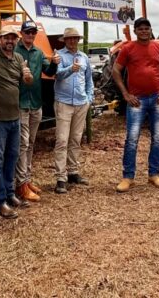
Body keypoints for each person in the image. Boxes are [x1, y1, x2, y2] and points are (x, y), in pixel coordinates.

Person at [112, 17, 159, 192]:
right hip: (137, 101)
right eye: (140, 28)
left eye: (146, 28)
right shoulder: (127, 48)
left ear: (150, 30)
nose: (144, 31)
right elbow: (116, 70)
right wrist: (125, 94)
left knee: (158, 138)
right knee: (132, 139)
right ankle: (128, 177)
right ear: (135, 31)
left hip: (158, 99)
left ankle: (154, 175)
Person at [0, 28, 33, 218]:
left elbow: (27, 81)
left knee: (12, 157)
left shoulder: (19, 58)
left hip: (15, 117)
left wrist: (28, 77)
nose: (10, 41)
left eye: (13, 38)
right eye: (6, 38)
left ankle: (9, 193)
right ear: (0, 39)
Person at [14, 20, 59, 202]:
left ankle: (27, 179)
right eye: (27, 32)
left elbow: (48, 71)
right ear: (21, 34)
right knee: (23, 143)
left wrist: (54, 63)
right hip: (20, 103)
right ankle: (20, 184)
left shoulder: (38, 52)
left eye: (33, 32)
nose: (31, 35)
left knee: (31, 143)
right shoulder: (14, 51)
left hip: (36, 103)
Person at [53, 27, 93, 194]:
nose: (72, 41)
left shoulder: (84, 57)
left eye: (75, 38)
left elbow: (89, 79)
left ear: (78, 40)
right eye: (69, 38)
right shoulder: (59, 55)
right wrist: (71, 69)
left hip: (81, 103)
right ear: (65, 40)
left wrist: (89, 98)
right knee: (62, 140)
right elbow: (58, 75)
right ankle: (60, 178)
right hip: (64, 102)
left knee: (76, 139)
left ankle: (73, 172)